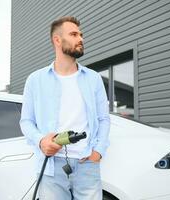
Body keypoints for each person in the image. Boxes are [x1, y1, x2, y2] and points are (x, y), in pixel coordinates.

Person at [20, 16, 110, 200]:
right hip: (51, 167)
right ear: (57, 40)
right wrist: (41, 141)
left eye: (81, 35)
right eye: (74, 34)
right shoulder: (35, 80)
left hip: (87, 163)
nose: (81, 39)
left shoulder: (93, 79)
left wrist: (97, 152)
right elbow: (26, 121)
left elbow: (104, 119)